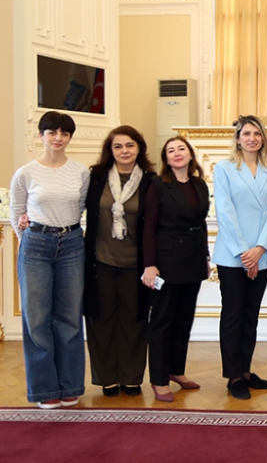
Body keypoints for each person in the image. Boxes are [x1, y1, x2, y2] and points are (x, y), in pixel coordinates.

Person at [10, 111, 90, 409]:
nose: (58, 138)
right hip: (35, 246)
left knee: (69, 318)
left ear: (70, 138)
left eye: (64, 133)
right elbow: (16, 213)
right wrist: (30, 240)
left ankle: (70, 385)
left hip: (71, 244)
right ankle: (45, 390)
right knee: (37, 318)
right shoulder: (26, 172)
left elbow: (83, 209)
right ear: (41, 135)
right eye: (52, 132)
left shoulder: (80, 172)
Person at [213, 115, 267, 399]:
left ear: (263, 139)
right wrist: (246, 252)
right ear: (238, 138)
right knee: (232, 314)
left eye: (257, 133)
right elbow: (225, 211)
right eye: (246, 133)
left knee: (250, 315)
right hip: (234, 256)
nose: (252, 138)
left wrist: (259, 249)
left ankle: (245, 369)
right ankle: (233, 376)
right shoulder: (224, 168)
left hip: (262, 255)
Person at [84, 125, 156, 397]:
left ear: (139, 148)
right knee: (101, 321)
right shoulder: (96, 177)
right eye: (118, 146)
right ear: (110, 150)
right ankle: (107, 378)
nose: (124, 151)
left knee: (135, 322)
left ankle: (131, 377)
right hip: (99, 261)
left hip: (135, 265)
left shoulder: (151, 180)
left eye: (130, 145)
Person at [142, 136, 210, 403]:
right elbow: (149, 227)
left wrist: (205, 256)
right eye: (171, 150)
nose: (177, 153)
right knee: (162, 321)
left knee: (184, 319)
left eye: (181, 148)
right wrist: (150, 264)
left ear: (190, 155)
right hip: (166, 260)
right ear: (166, 159)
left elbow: (201, 224)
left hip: (193, 259)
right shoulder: (158, 185)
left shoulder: (199, 185)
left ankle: (175, 371)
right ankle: (159, 380)